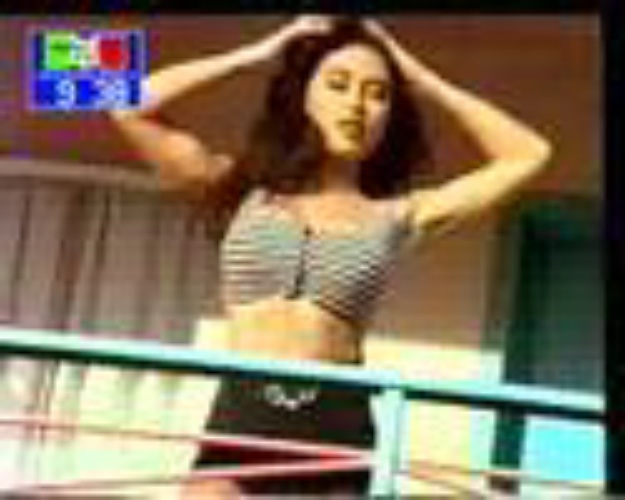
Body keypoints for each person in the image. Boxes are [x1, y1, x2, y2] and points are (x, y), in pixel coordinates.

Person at [108, 15, 552, 496]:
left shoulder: (397, 215)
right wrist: (257, 54)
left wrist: (419, 77)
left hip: (336, 430)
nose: (356, 104)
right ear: (304, 96)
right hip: (240, 420)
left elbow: (528, 154)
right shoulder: (241, 190)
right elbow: (125, 104)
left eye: (377, 93)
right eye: (338, 85)